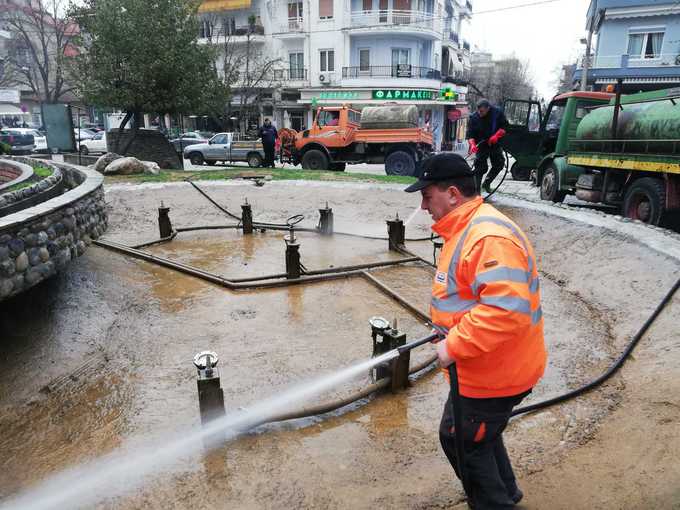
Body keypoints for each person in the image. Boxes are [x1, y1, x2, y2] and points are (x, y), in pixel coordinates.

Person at [405, 153, 547, 509]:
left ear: (453, 194)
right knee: (479, 436)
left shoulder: (486, 238)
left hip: (494, 375)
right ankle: (508, 494)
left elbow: (505, 309)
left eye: (427, 196)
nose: (423, 206)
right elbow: (474, 297)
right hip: (487, 367)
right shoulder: (469, 228)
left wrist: (453, 345)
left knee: (461, 439)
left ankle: (495, 503)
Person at [466, 99, 509, 194]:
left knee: (499, 164)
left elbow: (505, 127)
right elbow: (470, 135)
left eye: (482, 111)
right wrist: (472, 145)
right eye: (478, 111)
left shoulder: (497, 113)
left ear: (488, 108)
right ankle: (476, 193)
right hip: (481, 144)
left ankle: (487, 183)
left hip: (495, 143)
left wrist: (497, 135)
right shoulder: (474, 118)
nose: (479, 113)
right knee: (480, 168)